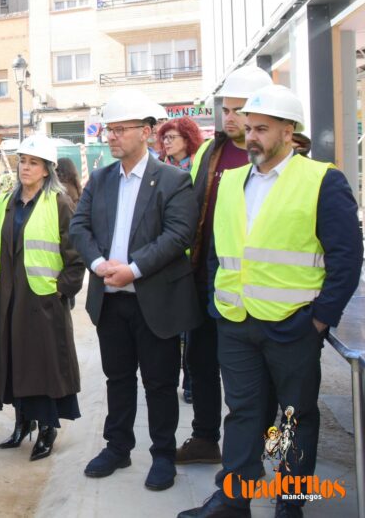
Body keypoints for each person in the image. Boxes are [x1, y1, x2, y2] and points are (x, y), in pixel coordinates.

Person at [178, 85, 362, 518]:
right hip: (235, 321)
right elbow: (220, 251)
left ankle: (290, 502)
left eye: (262, 129)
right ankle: (233, 499)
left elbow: (346, 257)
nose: (252, 137)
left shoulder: (321, 180)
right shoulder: (233, 181)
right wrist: (217, 304)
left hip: (294, 324)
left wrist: (321, 320)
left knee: (295, 419)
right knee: (242, 412)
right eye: (249, 128)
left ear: (288, 131)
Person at [69, 88, 201, 492]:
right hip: (111, 300)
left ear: (146, 132)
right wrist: (98, 263)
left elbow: (179, 233)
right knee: (118, 378)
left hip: (154, 300)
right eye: (109, 130)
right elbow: (80, 227)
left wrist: (134, 269)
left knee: (160, 382)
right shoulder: (102, 179)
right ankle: (118, 446)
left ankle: (163, 455)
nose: (111, 137)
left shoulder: (174, 181)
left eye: (120, 130)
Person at [179, 65, 273, 467]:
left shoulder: (284, 153)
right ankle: (204, 438)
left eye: (239, 109)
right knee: (200, 362)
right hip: (206, 276)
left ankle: (266, 449)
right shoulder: (209, 150)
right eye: (227, 109)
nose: (230, 117)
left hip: (259, 285)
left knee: (256, 378)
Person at [0, 134, 84, 461]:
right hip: (8, 298)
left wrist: (61, 291)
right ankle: (22, 422)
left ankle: (47, 428)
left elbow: (76, 255)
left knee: (43, 367)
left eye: (33, 163)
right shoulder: (5, 202)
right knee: (13, 362)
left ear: (46, 170)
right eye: (23, 161)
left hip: (42, 300)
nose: (25, 167)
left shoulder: (59, 202)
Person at [155, 116, 203, 404]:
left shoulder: (198, 168)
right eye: (165, 138)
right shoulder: (160, 169)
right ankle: (173, 378)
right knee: (172, 328)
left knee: (191, 329)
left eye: (173, 137)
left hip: (192, 260)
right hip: (165, 260)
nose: (167, 142)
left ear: (188, 138)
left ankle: (191, 381)